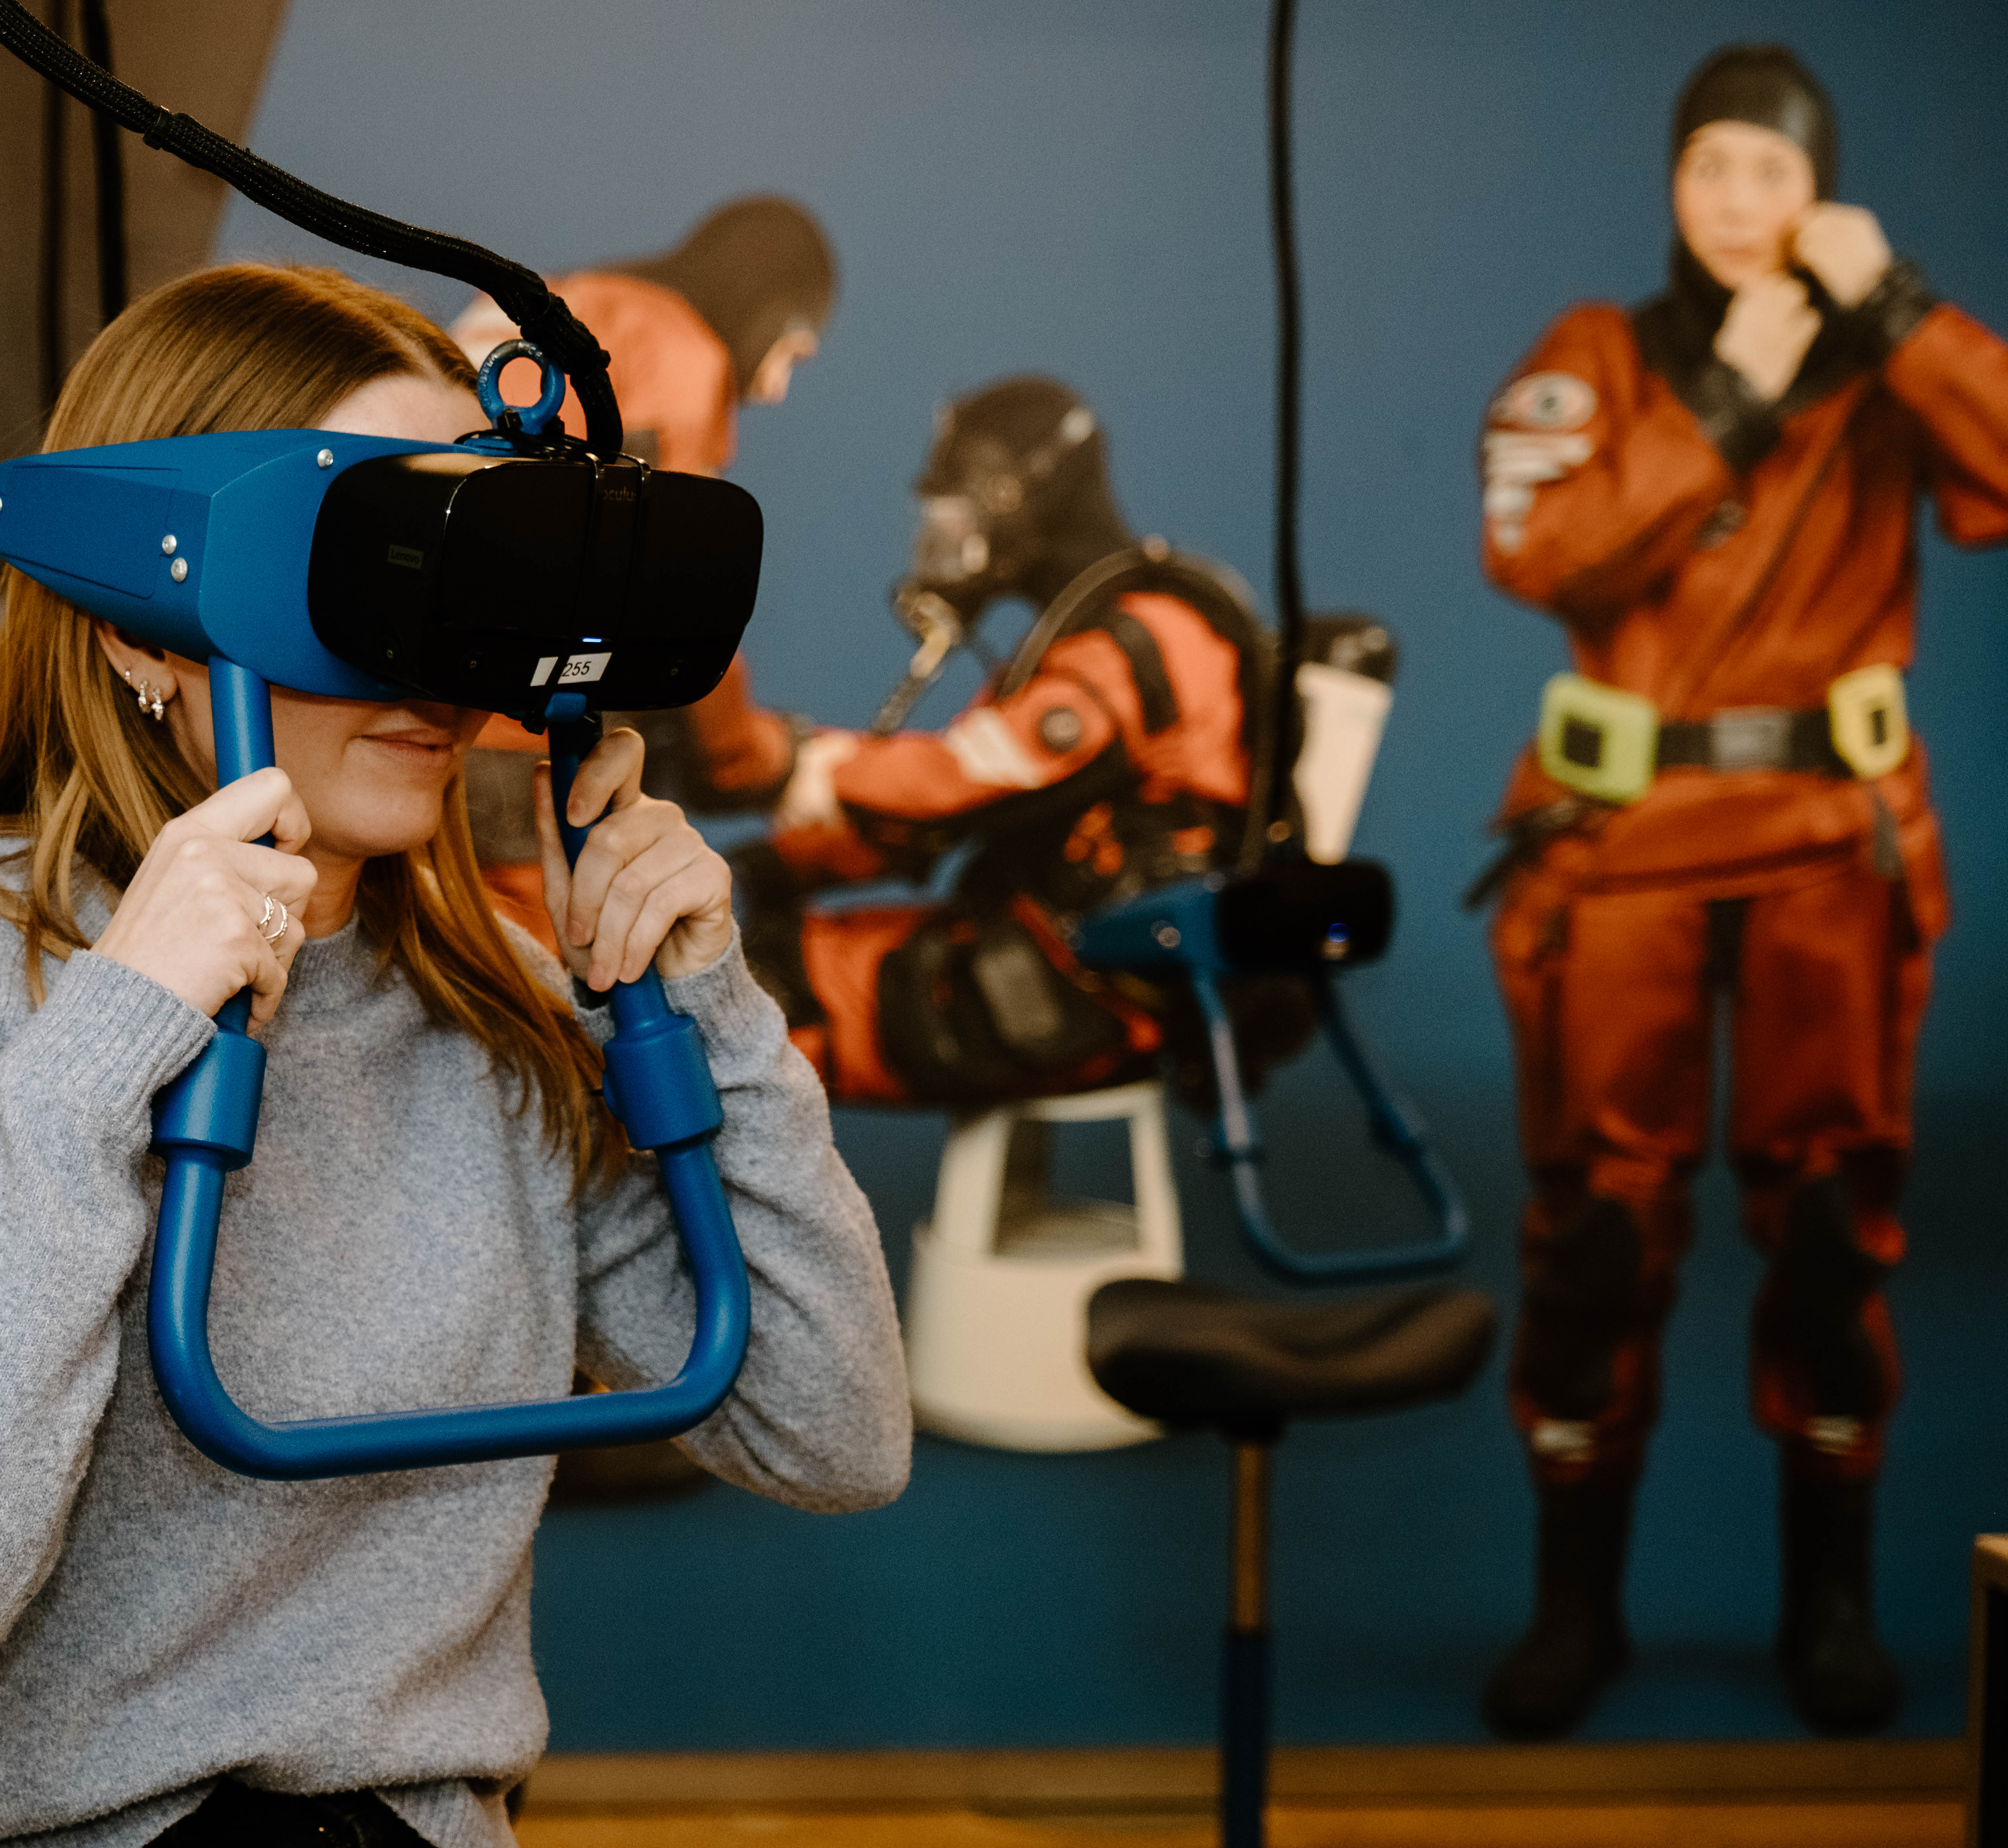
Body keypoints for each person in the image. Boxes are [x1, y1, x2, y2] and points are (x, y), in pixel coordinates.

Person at [0, 262, 911, 1848]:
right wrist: (120, 1036)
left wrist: (713, 1015)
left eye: (468, 569)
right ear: (145, 618)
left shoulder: (503, 1009)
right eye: (371, 565)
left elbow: (833, 1434)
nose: (436, 661)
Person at [1472, 44, 2008, 1740]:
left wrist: (1900, 304)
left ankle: (1828, 1600)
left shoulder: (1891, 367)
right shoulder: (1605, 356)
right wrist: (1721, 407)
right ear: (1674, 186)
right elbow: (1539, 551)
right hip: (1625, 848)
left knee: (1837, 1227)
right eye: (1711, 169)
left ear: (1821, 193)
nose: (1738, 203)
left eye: (1771, 174)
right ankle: (1578, 1605)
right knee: (1597, 1233)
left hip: (1824, 850)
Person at [737, 375, 1345, 1111]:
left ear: (1010, 496)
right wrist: (755, 869)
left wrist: (788, 760)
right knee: (735, 961)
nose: (941, 535)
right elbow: (941, 815)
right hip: (1068, 957)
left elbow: (960, 785)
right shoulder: (1083, 638)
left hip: (1097, 990)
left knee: (743, 995)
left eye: (956, 507)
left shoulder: (1138, 644)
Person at [448, 196, 839, 948]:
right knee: (544, 1025)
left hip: (411, 709)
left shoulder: (563, 304)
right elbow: (678, 587)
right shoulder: (676, 351)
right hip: (508, 750)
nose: (778, 387)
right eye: (793, 349)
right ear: (763, 306)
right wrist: (752, 755)